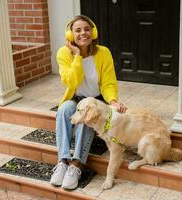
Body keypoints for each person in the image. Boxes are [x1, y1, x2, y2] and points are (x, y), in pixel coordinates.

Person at [50, 15, 126, 190]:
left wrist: (113, 100)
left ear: (94, 32)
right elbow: (71, 82)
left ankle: (76, 164)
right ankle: (62, 161)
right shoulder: (64, 53)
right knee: (63, 110)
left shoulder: (103, 52)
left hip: (97, 100)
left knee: (87, 115)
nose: (83, 33)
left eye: (87, 29)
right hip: (75, 99)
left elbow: (108, 82)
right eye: (78, 30)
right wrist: (77, 55)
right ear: (70, 35)